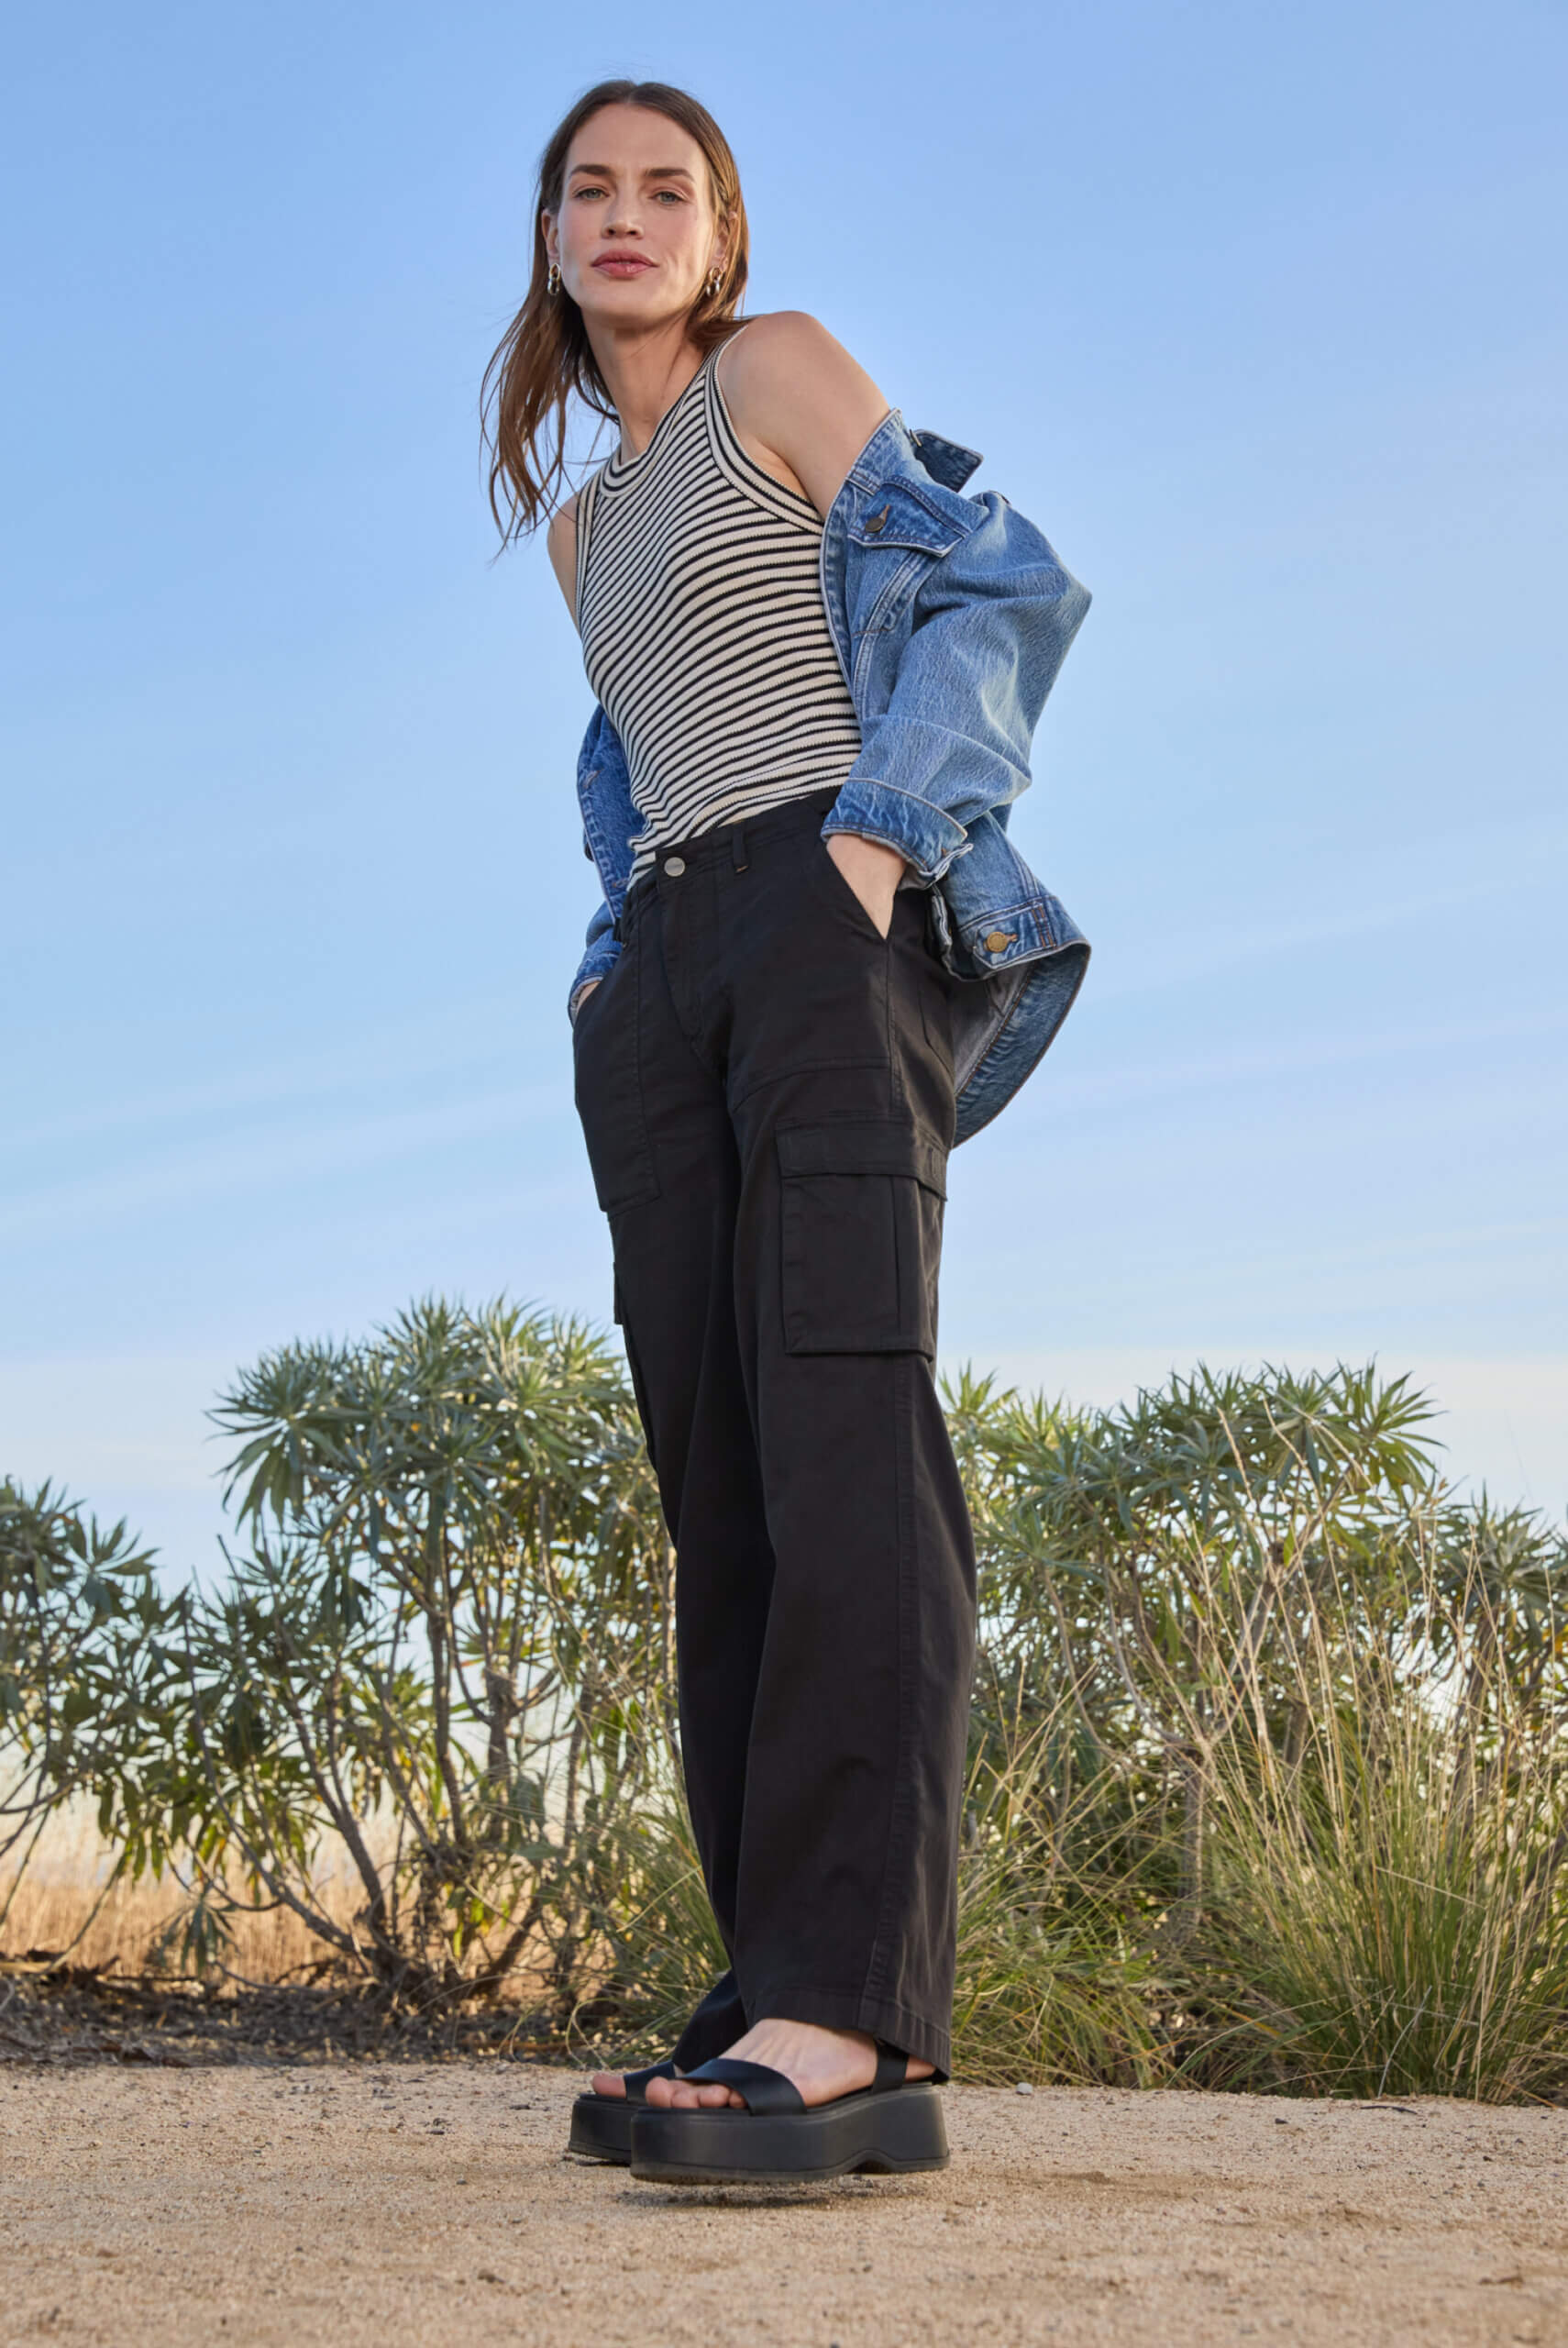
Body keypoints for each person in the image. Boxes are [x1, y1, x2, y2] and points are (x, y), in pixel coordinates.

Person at [482, 78, 1091, 2185]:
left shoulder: (780, 369)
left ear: (720, 235)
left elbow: (998, 587)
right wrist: (604, 965)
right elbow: (640, 752)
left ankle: (853, 2019)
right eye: (592, 189)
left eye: (670, 187)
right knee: (719, 1479)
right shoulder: (580, 526)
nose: (627, 216)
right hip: (663, 974)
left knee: (842, 1425)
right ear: (552, 238)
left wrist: (872, 843)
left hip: (826, 911)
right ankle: (772, 1982)